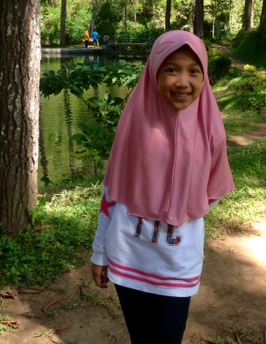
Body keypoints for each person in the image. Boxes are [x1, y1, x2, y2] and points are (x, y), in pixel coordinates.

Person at [90, 30, 235, 344]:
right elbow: (111, 195)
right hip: (129, 256)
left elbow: (212, 193)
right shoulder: (134, 124)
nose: (183, 81)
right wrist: (100, 252)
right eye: (171, 70)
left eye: (193, 71)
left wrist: (179, 200)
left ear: (204, 75)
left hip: (177, 264)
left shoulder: (212, 130)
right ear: (154, 72)